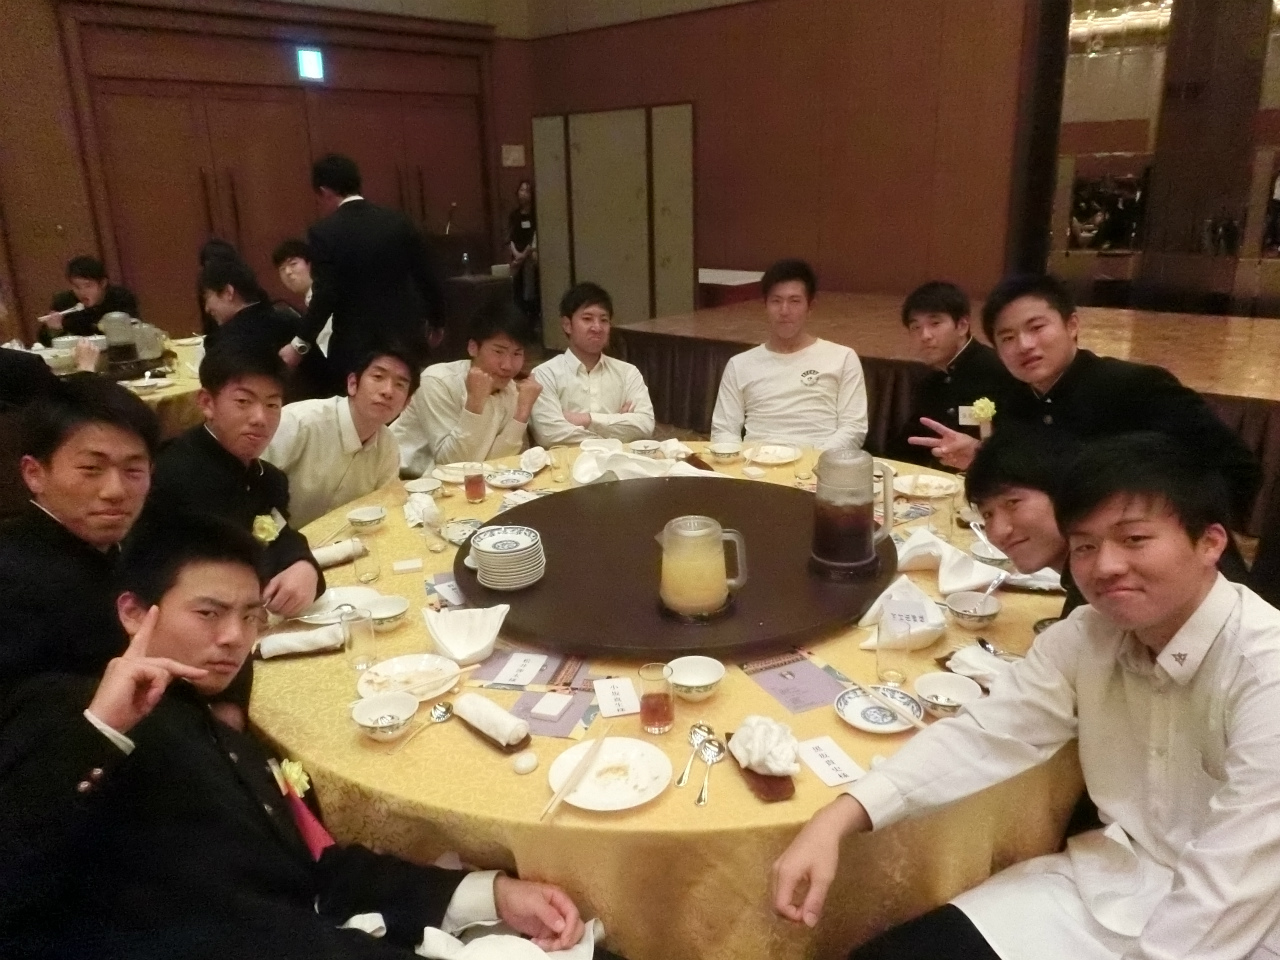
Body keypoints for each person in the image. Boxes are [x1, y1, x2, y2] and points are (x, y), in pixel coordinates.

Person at [0, 515, 627, 960]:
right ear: (135, 612)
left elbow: (310, 872)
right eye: (208, 613)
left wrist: (490, 894)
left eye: (250, 616)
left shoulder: (218, 728)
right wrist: (101, 730)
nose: (234, 638)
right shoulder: (68, 712)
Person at [774, 432, 1280, 960]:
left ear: (1210, 543)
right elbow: (987, 733)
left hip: (1247, 930)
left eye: (1133, 539)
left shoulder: (1265, 670)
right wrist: (843, 814)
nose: (1105, 566)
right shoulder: (1087, 636)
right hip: (1106, 888)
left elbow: (1233, 886)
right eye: (1085, 546)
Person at [910, 275, 1260, 534]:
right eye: (1008, 337)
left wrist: (1176, 529)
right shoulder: (1014, 399)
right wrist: (982, 455)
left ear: (1072, 325)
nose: (1025, 345)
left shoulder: (1135, 386)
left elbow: (1238, 468)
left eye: (1037, 327)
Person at [145, 344, 323, 619]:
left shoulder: (269, 478)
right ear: (207, 403)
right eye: (243, 402)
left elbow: (281, 534)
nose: (260, 418)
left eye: (272, 405)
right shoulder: (174, 475)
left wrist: (304, 566)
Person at [0, 374, 158, 682]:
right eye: (91, 469)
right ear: (34, 473)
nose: (115, 491)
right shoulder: (11, 579)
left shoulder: (147, 541)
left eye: (133, 470)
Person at [282, 154, 444, 392]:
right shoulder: (398, 222)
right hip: (404, 339)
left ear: (324, 191)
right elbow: (427, 277)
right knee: (405, 401)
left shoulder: (324, 232)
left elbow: (325, 295)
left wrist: (300, 344)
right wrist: (437, 321)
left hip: (356, 346)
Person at [710, 259, 867, 451]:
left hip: (818, 462)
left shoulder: (842, 358)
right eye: (776, 301)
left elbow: (853, 428)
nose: (784, 311)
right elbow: (724, 430)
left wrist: (816, 460)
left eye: (795, 301)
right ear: (765, 305)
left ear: (810, 307)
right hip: (756, 462)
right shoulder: (739, 364)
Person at [264, 347, 416, 527]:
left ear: (406, 403)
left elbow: (385, 506)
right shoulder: (300, 423)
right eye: (378, 377)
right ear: (353, 383)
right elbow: (250, 488)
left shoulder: (388, 445)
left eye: (400, 385)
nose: (387, 391)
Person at [393, 302, 541, 478]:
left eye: (517, 354)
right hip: (406, 480)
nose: (507, 365)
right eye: (498, 351)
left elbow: (498, 463)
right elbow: (451, 465)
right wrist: (474, 404)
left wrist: (522, 413)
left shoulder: (512, 390)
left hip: (469, 482)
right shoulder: (438, 382)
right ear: (473, 348)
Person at [889, 281, 1014, 467]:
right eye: (916, 327)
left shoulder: (1000, 370)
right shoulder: (930, 383)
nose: (925, 336)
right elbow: (909, 444)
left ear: (962, 326)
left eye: (935, 323)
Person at [965, 425, 1085, 617]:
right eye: (987, 515)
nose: (998, 532)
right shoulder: (1080, 586)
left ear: (1066, 493)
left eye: (1012, 503)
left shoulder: (1106, 597)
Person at [528, 282, 654, 447]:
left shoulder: (628, 373)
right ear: (567, 325)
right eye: (587, 319)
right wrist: (617, 426)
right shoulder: (544, 374)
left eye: (604, 320)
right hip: (566, 462)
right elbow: (549, 434)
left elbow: (645, 425)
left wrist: (586, 419)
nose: (597, 327)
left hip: (619, 462)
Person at [36, 255, 139, 346]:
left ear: (103, 283)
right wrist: (55, 331)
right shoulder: (64, 302)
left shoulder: (120, 298)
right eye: (76, 287)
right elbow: (45, 342)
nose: (82, 292)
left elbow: (133, 329)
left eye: (88, 286)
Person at [273, 237, 333, 358]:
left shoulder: (326, 296)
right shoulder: (310, 300)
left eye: (293, 264)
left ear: (310, 264)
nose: (288, 272)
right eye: (282, 269)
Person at [508, 179, 539, 330]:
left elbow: (534, 236)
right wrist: (515, 254)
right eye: (521, 190)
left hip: (529, 258)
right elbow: (511, 237)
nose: (524, 194)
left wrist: (523, 255)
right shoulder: (514, 215)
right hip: (516, 258)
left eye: (527, 190)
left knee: (530, 292)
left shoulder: (535, 215)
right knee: (516, 290)